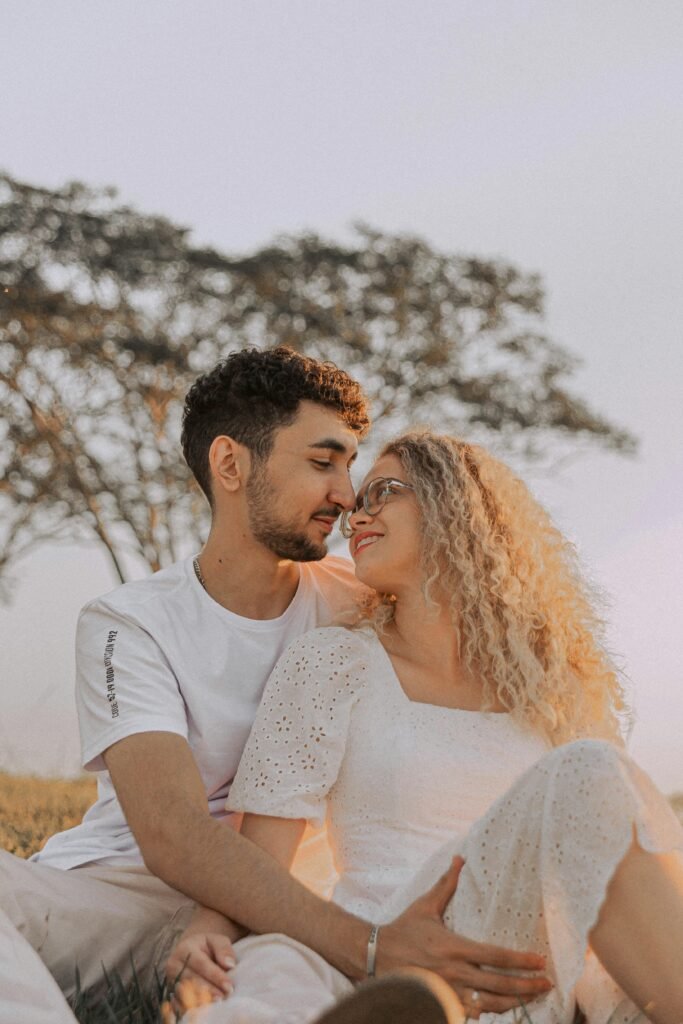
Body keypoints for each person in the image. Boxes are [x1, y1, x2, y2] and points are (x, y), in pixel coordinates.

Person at [0, 350, 548, 1024]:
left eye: (350, 465)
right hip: (131, 891)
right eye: (323, 463)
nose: (347, 496)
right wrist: (372, 948)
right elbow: (172, 834)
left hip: (298, 909)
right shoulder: (129, 622)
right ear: (230, 465)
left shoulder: (361, 603)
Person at [168, 431, 683, 1024]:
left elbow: (614, 848)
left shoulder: (555, 688)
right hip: (394, 940)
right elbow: (259, 859)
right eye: (357, 504)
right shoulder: (333, 662)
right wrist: (207, 927)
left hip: (533, 958)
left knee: (597, 776)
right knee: (592, 768)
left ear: (455, 507)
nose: (357, 515)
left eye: (382, 492)